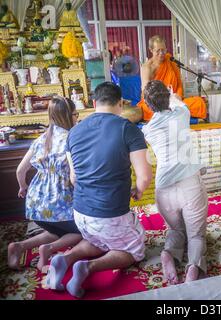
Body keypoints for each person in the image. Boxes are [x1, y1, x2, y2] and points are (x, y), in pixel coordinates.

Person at [46, 82, 152, 298]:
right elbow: (145, 175)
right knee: (135, 250)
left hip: (81, 212)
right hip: (109, 212)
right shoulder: (127, 129)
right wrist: (138, 191)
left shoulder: (73, 132)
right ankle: (89, 267)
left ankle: (66, 258)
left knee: (98, 239)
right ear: (120, 104)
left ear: (94, 103)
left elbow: (73, 177)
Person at [142, 80, 208, 284]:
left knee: (176, 230)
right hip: (190, 183)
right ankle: (193, 268)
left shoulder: (147, 129)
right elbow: (178, 101)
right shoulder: (182, 114)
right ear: (167, 95)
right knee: (195, 235)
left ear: (147, 103)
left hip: (164, 188)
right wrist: (172, 96)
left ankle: (168, 254)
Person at [8, 97, 82, 272]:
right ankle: (48, 249)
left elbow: (20, 170)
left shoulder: (41, 139)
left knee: (56, 231)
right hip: (61, 202)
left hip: (36, 205)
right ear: (67, 116)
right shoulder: (71, 138)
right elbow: (75, 175)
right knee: (83, 232)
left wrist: (22, 187)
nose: (77, 118)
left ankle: (20, 246)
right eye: (75, 114)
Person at [138, 35, 207, 121]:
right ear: (151, 50)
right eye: (158, 51)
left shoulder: (170, 61)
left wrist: (178, 95)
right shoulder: (147, 67)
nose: (161, 53)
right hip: (156, 102)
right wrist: (162, 102)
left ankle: (170, 112)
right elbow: (146, 92)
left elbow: (179, 84)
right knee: (148, 110)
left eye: (163, 50)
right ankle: (172, 112)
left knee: (198, 102)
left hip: (173, 99)